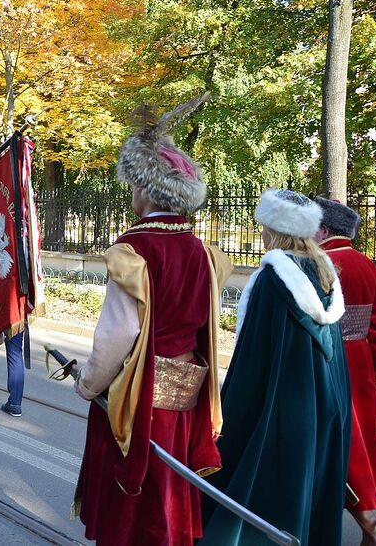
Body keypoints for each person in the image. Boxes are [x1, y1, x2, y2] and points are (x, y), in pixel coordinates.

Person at [72, 96, 231, 545]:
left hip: (135, 397)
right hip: (184, 398)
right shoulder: (202, 252)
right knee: (168, 493)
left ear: (145, 189)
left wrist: (88, 383)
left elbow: (119, 333)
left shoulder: (133, 250)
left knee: (132, 507)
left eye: (133, 185)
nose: (131, 193)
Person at [201, 189, 351, 545]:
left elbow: (254, 358)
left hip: (281, 410)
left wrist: (229, 412)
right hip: (325, 407)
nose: (262, 233)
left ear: (275, 228)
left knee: (262, 497)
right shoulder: (324, 273)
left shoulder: (274, 278)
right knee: (306, 494)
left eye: (264, 226)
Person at [314, 197, 376, 545]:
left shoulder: (320, 263)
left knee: (331, 448)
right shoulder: (369, 266)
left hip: (329, 361)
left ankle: (368, 528)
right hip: (359, 363)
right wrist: (372, 373)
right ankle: (368, 531)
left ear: (323, 229)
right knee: (359, 449)